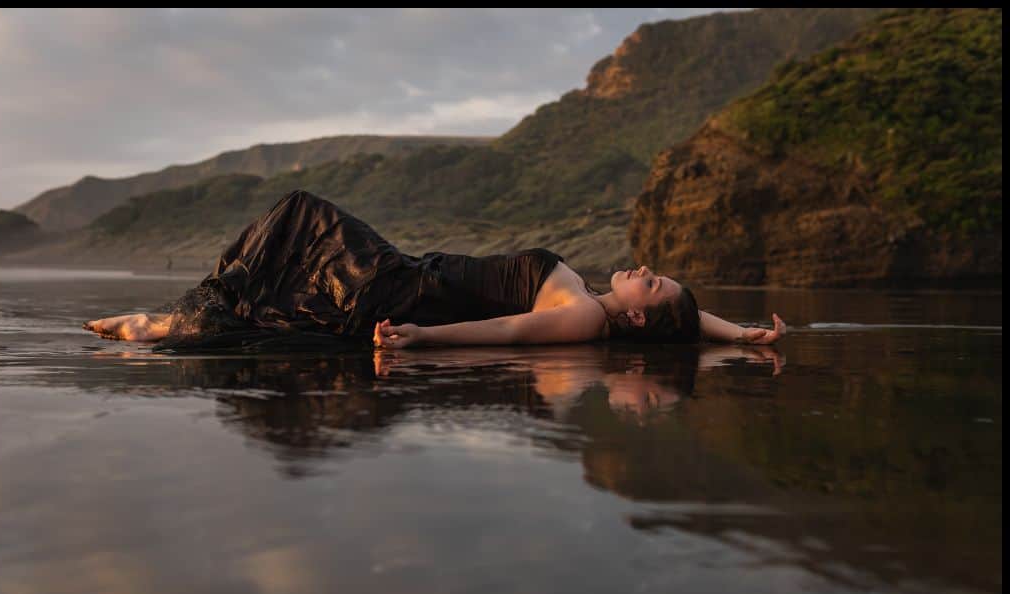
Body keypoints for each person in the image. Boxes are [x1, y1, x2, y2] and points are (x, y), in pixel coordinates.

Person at [82, 189, 786, 351]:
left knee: (298, 214)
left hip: (401, 288)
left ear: (636, 313)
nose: (644, 267)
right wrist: (742, 333)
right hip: (406, 274)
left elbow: (510, 332)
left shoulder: (584, 315)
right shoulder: (606, 305)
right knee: (287, 279)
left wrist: (424, 339)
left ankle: (178, 318)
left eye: (652, 280)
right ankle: (164, 322)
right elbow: (682, 317)